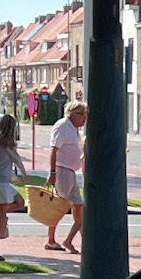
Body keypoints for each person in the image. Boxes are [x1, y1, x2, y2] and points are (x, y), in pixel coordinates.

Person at [46, 101, 86, 253]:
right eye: (82, 114)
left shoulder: (74, 129)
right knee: (59, 206)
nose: (84, 118)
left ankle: (74, 241)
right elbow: (54, 150)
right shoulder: (63, 126)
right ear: (73, 114)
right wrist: (52, 172)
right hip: (62, 170)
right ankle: (50, 240)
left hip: (71, 172)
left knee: (78, 205)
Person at [0, 113, 24, 252]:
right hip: (0, 181)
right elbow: (16, 159)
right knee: (1, 216)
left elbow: (2, 164)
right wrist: (24, 173)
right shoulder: (8, 144)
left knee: (20, 202)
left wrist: (14, 177)